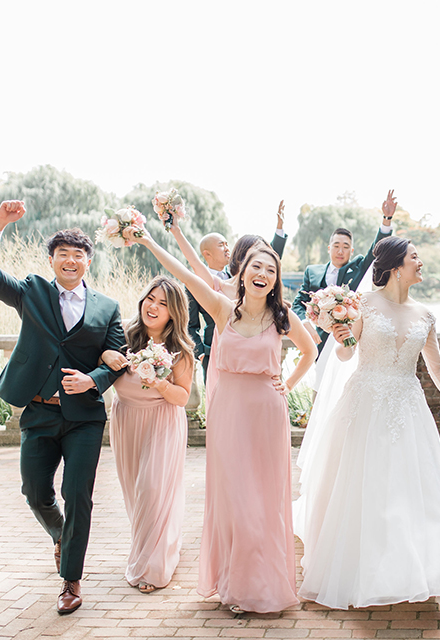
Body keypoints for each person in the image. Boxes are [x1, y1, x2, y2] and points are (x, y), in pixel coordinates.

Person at [124, 225, 316, 613]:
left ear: (275, 280)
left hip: (265, 413)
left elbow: (310, 351)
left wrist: (287, 383)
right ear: (242, 272)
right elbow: (184, 272)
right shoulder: (222, 308)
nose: (262, 274)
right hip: (228, 413)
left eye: (271, 270)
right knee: (234, 500)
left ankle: (256, 584)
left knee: (262, 500)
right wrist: (147, 240)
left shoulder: (281, 317)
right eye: (256, 267)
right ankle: (233, 579)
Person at [294, 236, 440, 609]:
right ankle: (363, 563)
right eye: (415, 257)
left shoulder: (425, 314)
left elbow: (436, 367)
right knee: (365, 483)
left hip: (408, 405)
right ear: (394, 267)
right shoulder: (363, 305)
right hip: (365, 402)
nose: (420, 263)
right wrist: (340, 337)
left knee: (410, 484)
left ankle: (414, 563)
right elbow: (345, 355)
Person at [0, 200, 126, 614]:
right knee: (35, 492)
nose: (70, 261)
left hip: (84, 419)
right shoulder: (31, 291)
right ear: (52, 260)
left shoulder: (107, 308)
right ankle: (60, 535)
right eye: (63, 255)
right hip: (38, 412)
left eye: (78, 255)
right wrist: (0, 223)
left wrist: (92, 379)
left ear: (88, 262)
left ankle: (71, 580)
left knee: (80, 496)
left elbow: (117, 358)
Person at [101, 276, 194, 594]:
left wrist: (159, 382)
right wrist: (105, 356)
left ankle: (151, 567)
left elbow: (183, 397)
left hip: (162, 422)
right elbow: (99, 360)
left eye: (163, 303)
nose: (153, 307)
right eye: (150, 299)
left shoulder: (180, 350)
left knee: (153, 490)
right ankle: (157, 547)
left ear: (174, 312)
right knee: (136, 493)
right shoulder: (122, 335)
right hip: (126, 419)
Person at [188, 200, 288, 385]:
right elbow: (189, 323)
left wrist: (279, 230)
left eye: (227, 244)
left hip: (247, 348)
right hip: (214, 349)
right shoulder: (204, 282)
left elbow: (268, 263)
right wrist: (201, 353)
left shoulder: (244, 281)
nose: (226, 248)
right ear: (206, 254)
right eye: (221, 245)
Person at [292, 191, 395, 353]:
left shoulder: (359, 267)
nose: (340, 251)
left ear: (351, 250)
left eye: (346, 247)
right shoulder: (312, 271)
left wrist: (386, 220)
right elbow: (298, 303)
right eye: (336, 246)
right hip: (319, 342)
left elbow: (376, 250)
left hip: (351, 339)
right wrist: (305, 323)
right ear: (329, 248)